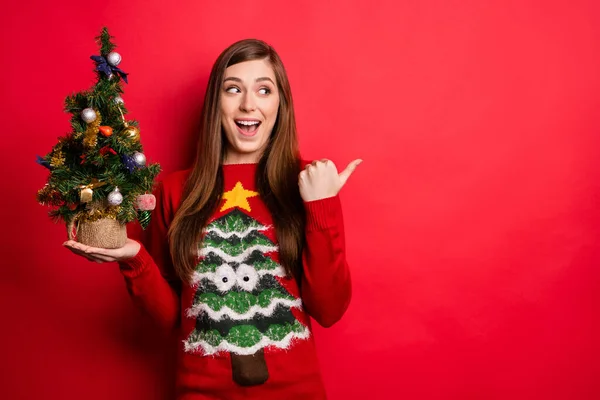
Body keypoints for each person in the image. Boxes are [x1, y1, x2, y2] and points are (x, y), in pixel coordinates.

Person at [64, 38, 361, 400]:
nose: (248, 104)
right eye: (233, 89)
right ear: (215, 103)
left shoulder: (309, 183)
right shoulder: (175, 190)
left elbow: (328, 310)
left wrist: (322, 205)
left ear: (280, 103)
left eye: (264, 90)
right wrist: (134, 258)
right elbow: (170, 318)